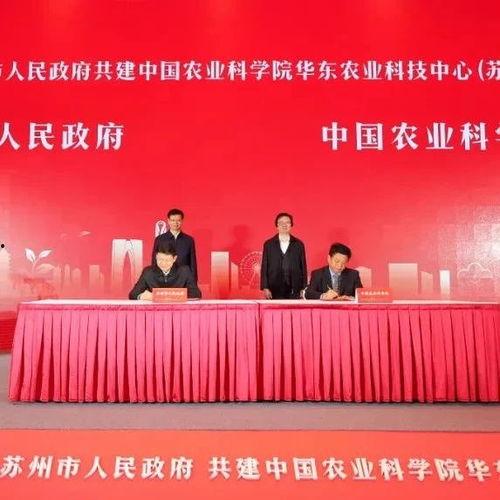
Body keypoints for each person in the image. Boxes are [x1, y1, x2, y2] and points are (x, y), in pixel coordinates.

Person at [260, 212, 307, 299]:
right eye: (281, 222)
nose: (284, 225)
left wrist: (304, 287)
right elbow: (264, 267)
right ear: (277, 226)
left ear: (291, 225)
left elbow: (303, 267)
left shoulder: (299, 244)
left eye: (287, 222)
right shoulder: (269, 244)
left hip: (295, 287)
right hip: (273, 287)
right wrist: (265, 287)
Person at [130, 247, 201, 300]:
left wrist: (157, 296)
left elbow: (196, 294)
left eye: (167, 260)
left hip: (178, 310)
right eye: (160, 259)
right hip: (155, 311)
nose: (163, 264)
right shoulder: (148, 272)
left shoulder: (184, 271)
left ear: (174, 259)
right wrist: (142, 296)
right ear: (156, 257)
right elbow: (133, 294)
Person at [152, 208, 198, 282]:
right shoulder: (160, 239)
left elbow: (192, 263)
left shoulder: (189, 240)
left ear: (182, 221)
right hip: (164, 280)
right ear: (168, 221)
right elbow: (154, 261)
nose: (175, 223)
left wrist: (193, 282)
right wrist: (154, 280)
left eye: (178, 220)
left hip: (184, 279)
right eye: (173, 220)